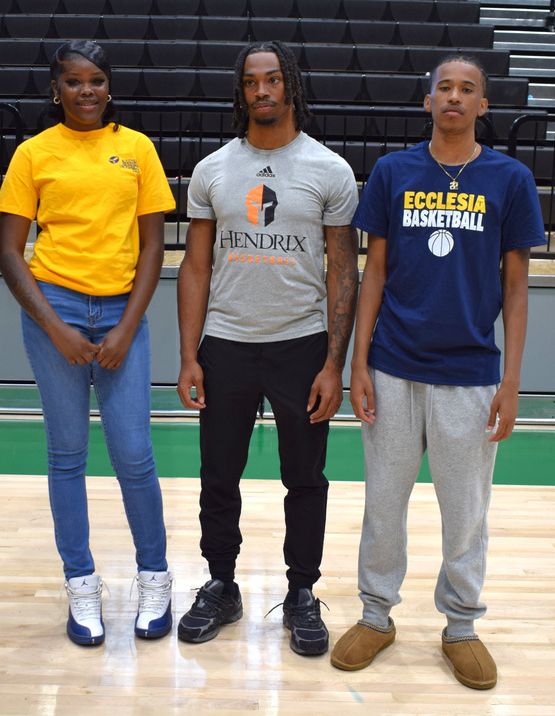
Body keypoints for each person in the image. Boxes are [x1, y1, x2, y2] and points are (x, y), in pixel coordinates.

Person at [329, 56, 545, 689]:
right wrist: (358, 361)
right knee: (383, 503)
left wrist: (510, 381)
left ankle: (461, 626)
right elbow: (372, 276)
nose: (454, 97)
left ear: (483, 105)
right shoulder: (395, 172)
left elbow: (517, 288)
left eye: (467, 89)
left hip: (472, 374)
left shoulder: (510, 178)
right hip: (393, 367)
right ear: (427, 101)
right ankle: (376, 616)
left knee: (466, 511)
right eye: (444, 88)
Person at [176, 40, 360, 656]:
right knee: (218, 477)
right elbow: (195, 268)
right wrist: (188, 354)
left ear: (290, 87)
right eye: (252, 81)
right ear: (241, 91)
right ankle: (222, 585)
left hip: (301, 347)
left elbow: (343, 271)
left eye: (273, 79)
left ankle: (302, 592)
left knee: (304, 479)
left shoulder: (329, 170)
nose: (262, 90)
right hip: (226, 345)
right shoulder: (213, 170)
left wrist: (333, 364)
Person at [0, 40, 176, 646]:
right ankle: (81, 584)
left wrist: (126, 326)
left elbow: (153, 246)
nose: (87, 90)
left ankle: (155, 578)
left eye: (97, 80)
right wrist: (55, 326)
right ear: (56, 90)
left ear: (109, 87)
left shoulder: (136, 149)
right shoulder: (33, 153)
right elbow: (9, 252)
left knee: (134, 454)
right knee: (67, 454)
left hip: (123, 311)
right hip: (57, 310)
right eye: (74, 81)